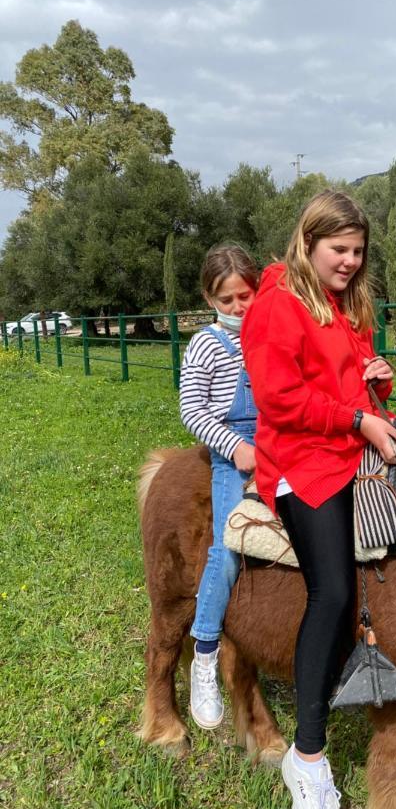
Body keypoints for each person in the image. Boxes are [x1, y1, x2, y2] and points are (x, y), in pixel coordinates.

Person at [242, 190, 396, 809]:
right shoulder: (276, 306)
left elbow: (348, 385)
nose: (349, 260)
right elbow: (279, 400)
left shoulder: (347, 306)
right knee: (333, 591)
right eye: (339, 249)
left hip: (348, 444)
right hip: (302, 461)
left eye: (357, 251)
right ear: (308, 243)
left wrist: (377, 385)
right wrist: (357, 418)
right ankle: (306, 759)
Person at [179, 243, 258, 730]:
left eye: (244, 297)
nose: (237, 308)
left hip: (277, 442)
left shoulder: (267, 336)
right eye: (226, 300)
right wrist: (235, 448)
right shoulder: (206, 345)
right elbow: (192, 410)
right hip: (235, 451)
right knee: (227, 548)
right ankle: (205, 652)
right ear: (210, 299)